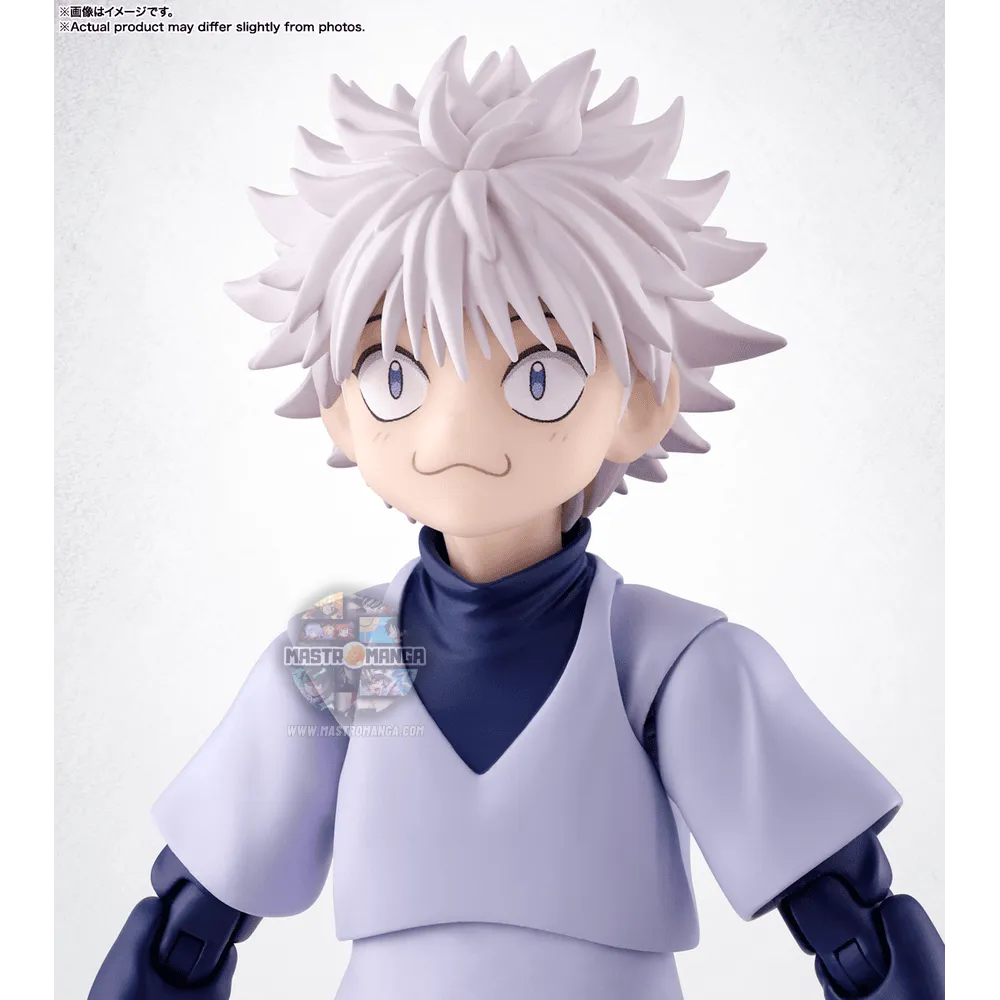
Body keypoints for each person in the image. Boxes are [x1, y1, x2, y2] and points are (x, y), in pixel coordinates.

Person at [88, 37, 946, 1000]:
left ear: (640, 402)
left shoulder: (663, 660)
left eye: (539, 375)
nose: (454, 429)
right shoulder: (346, 652)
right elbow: (196, 916)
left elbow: (844, 909)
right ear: (340, 408)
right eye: (394, 373)